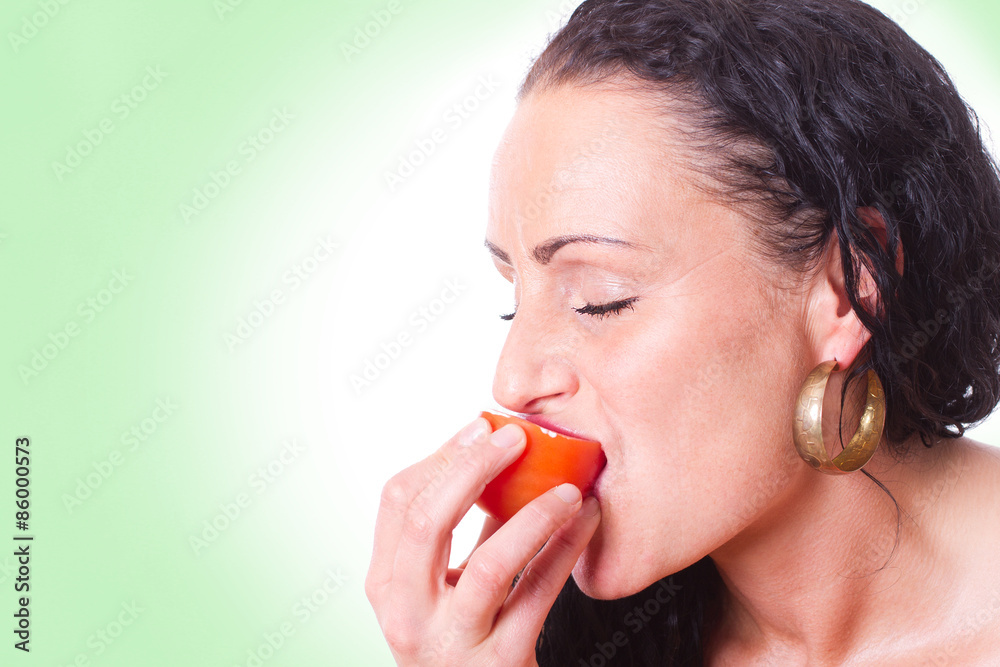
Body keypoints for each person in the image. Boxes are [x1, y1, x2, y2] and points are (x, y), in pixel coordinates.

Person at [365, 0, 1000, 664]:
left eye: (599, 301)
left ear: (848, 287)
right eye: (514, 300)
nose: (512, 382)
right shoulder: (560, 639)